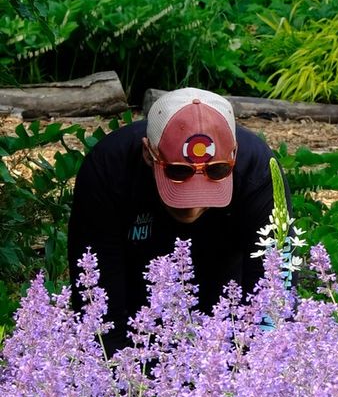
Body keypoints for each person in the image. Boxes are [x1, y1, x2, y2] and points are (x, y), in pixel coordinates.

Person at [68, 87, 287, 353]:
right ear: (149, 153)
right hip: (137, 313)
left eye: (216, 172)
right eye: (177, 173)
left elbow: (274, 286)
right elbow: (96, 291)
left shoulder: (258, 170)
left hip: (225, 312)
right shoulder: (109, 168)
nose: (192, 206)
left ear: (233, 155)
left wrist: (257, 366)